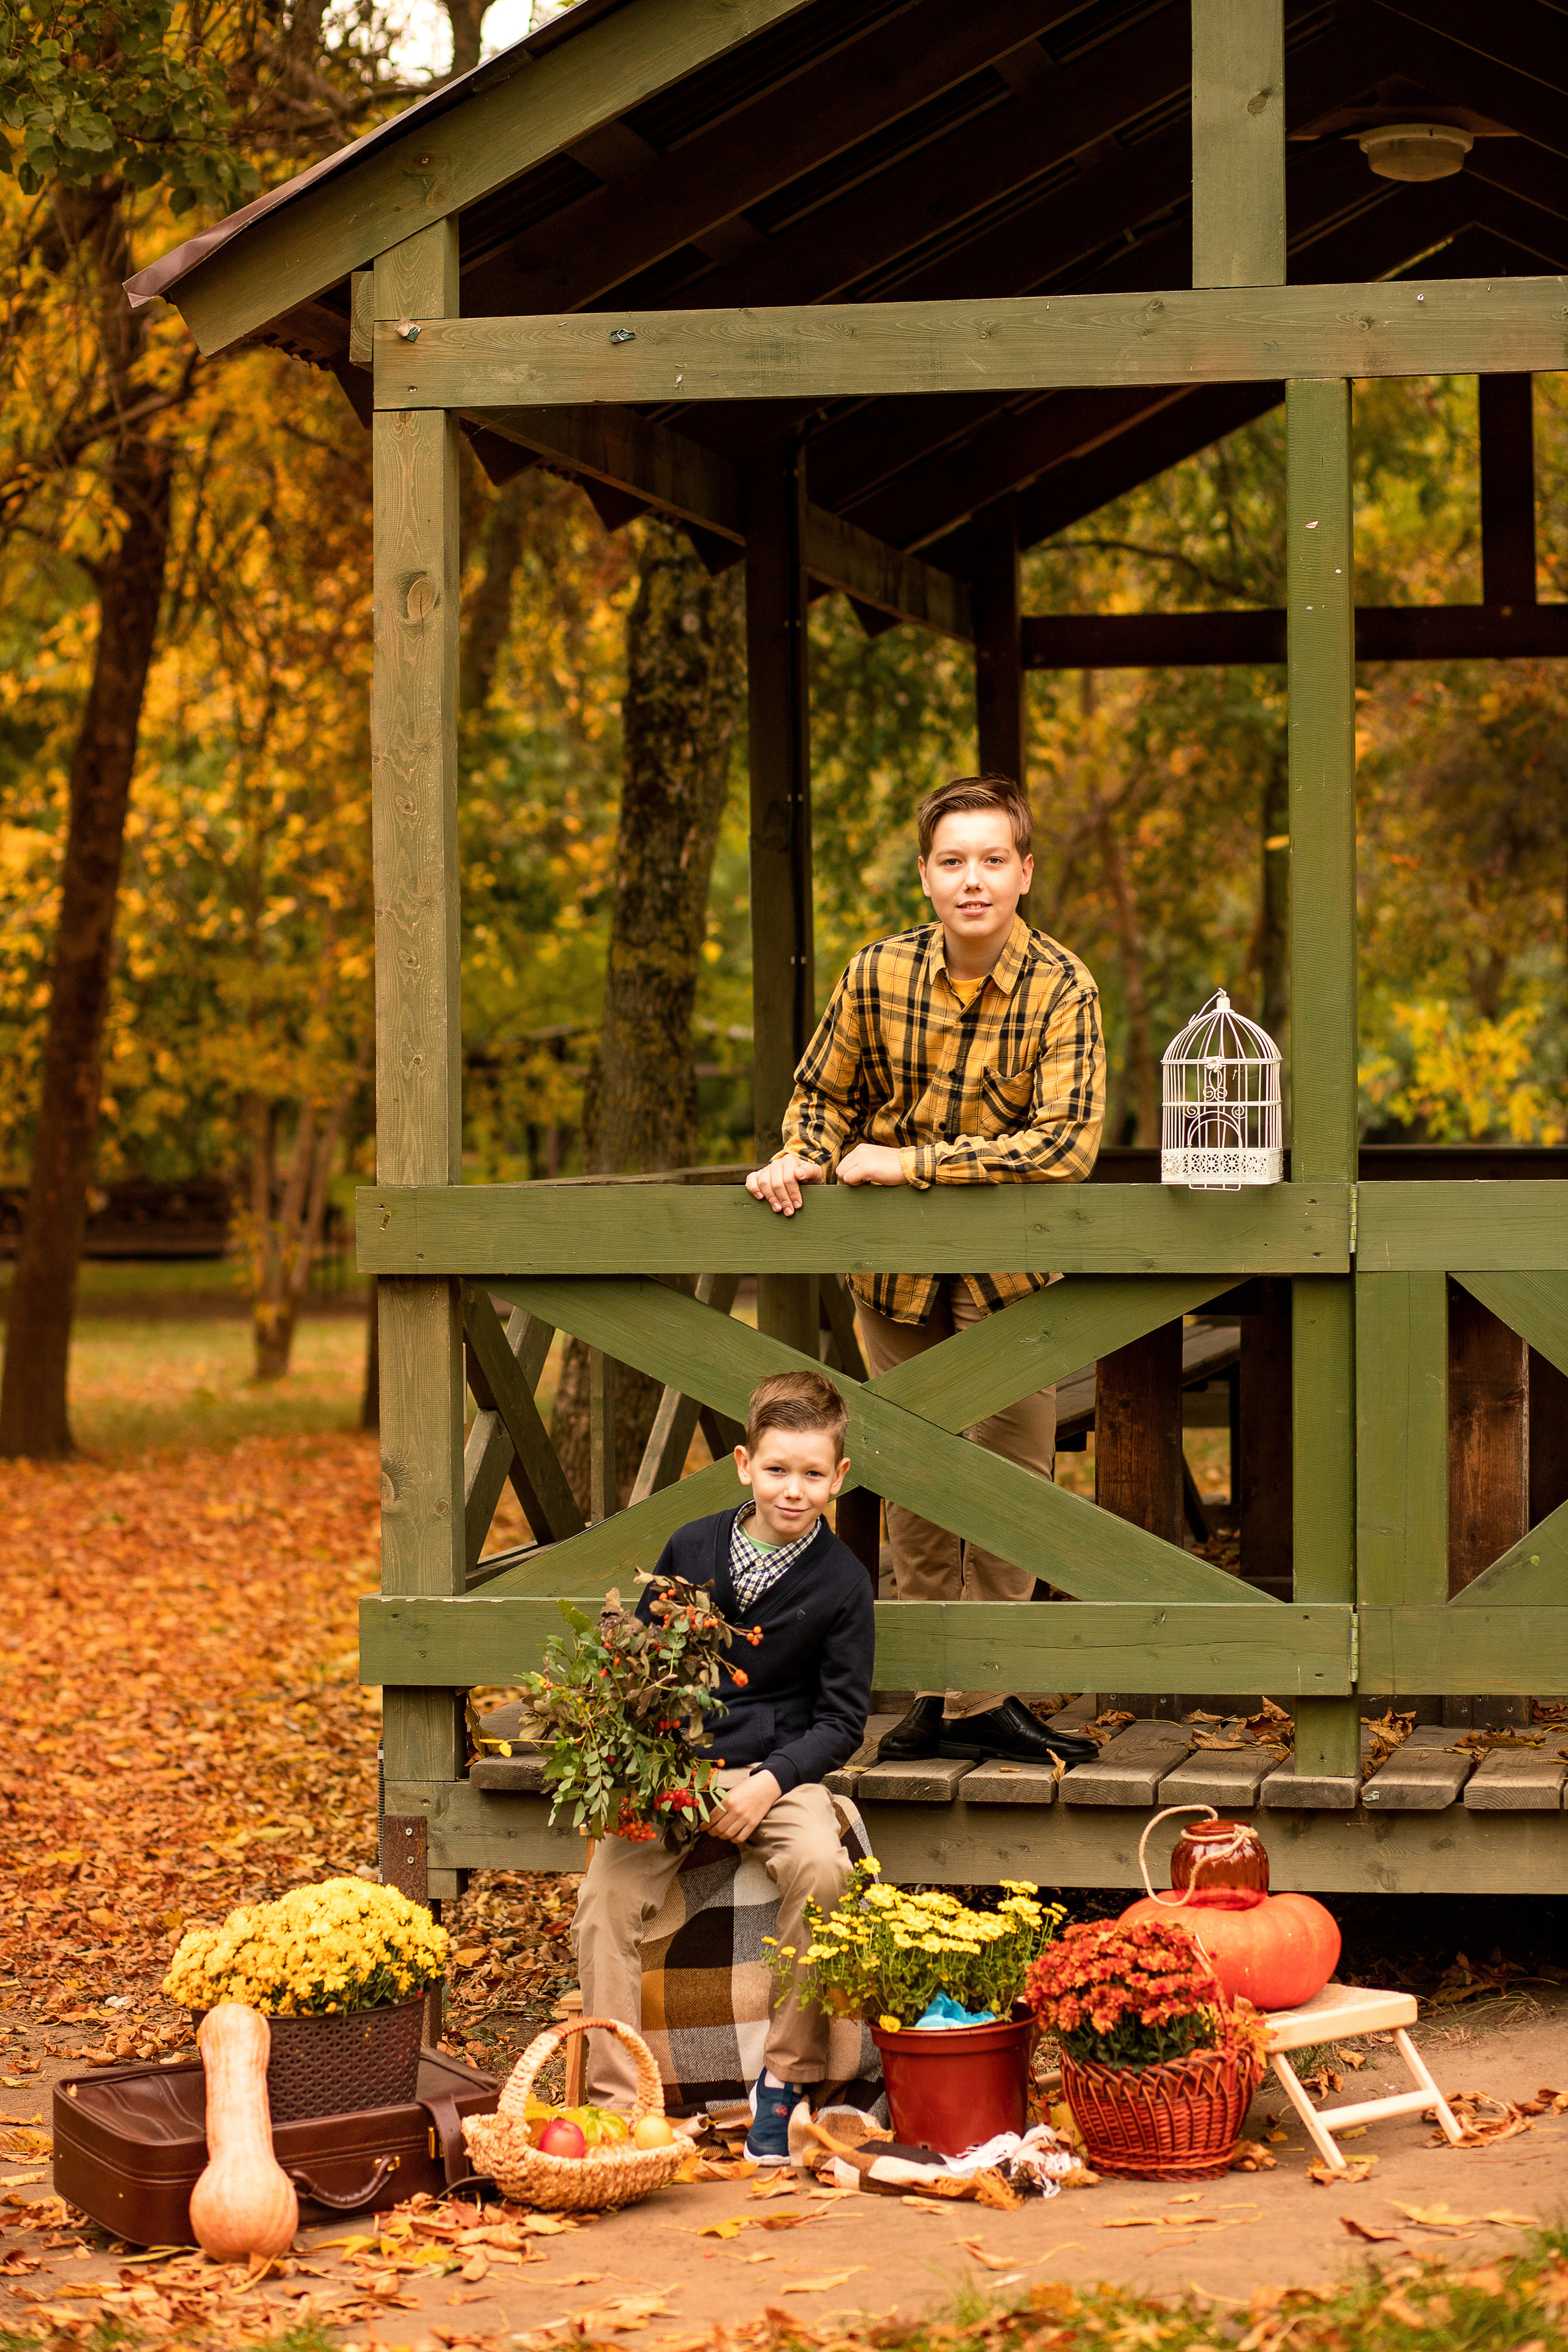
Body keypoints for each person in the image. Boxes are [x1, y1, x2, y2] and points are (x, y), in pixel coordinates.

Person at [747, 773, 1103, 1771]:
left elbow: (1065, 1145)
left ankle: (986, 1694)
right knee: (912, 1481)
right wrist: (803, 1153)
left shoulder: (1063, 986)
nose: (974, 880)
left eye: (994, 860)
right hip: (895, 1282)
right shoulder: (876, 975)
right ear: (926, 875)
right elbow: (820, 1093)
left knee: (1015, 1477)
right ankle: (938, 1699)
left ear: (1025, 873)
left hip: (1015, 1284)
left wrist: (914, 1164)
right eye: (954, 862)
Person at [571, 1368, 873, 2163]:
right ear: (744, 1464)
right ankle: (613, 2102)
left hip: (781, 1771)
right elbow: (647, 1670)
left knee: (821, 1868)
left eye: (814, 1474)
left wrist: (772, 1781)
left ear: (839, 1477)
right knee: (604, 1897)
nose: (794, 1490)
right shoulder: (693, 1548)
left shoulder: (843, 1583)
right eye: (778, 1470)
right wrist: (650, 1763)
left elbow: (842, 1720)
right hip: (679, 1767)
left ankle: (785, 2078)